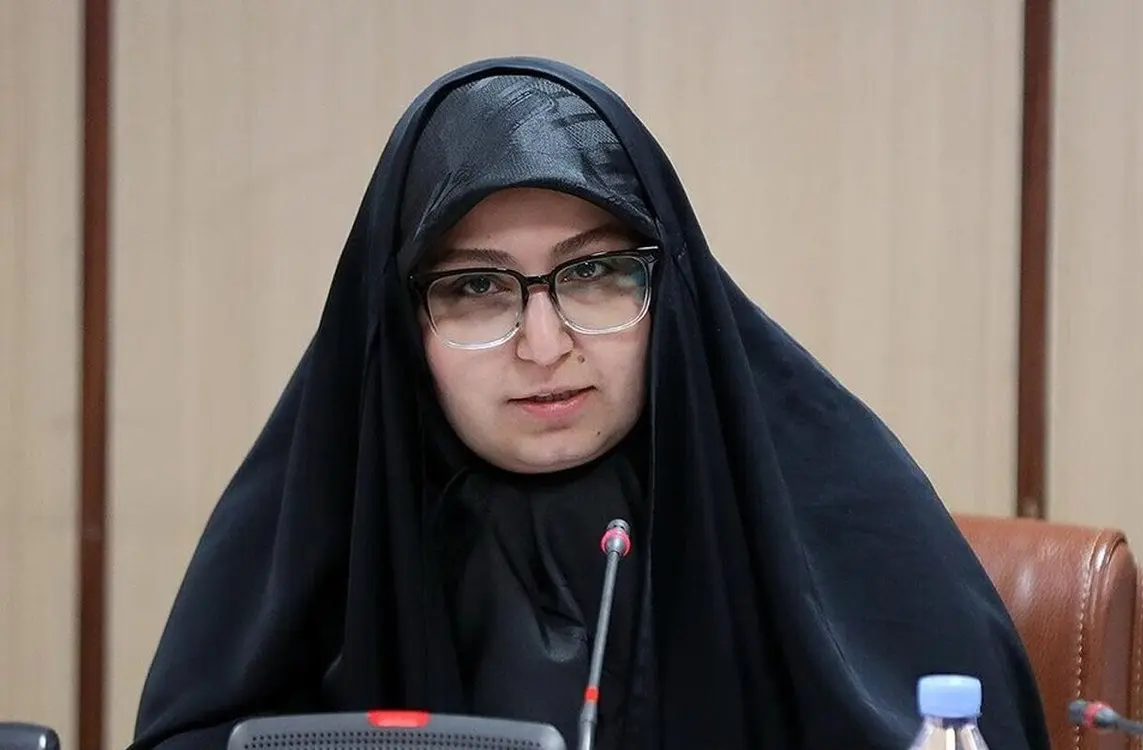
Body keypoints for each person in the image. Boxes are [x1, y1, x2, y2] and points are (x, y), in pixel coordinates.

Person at [128, 57, 1052, 750]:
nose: (544, 345)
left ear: (671, 288)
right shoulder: (321, 527)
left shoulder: (836, 511)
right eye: (475, 287)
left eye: (596, 273)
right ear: (401, 325)